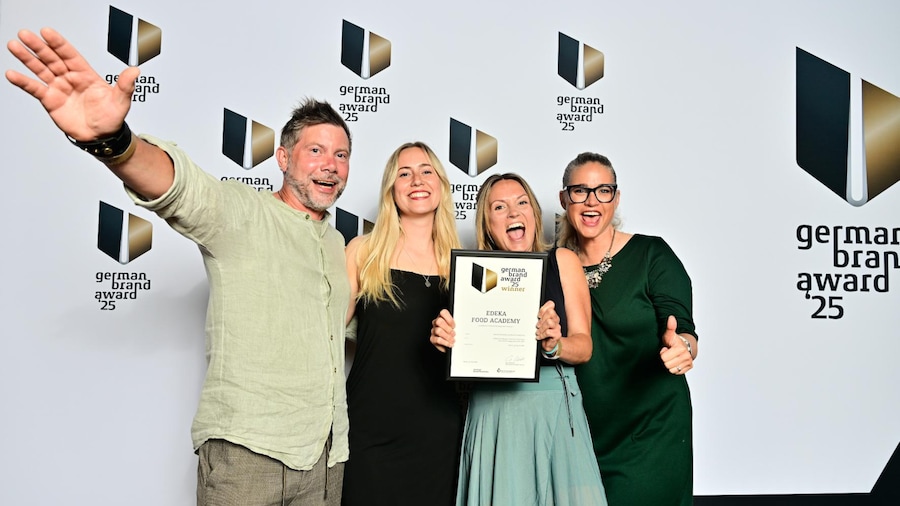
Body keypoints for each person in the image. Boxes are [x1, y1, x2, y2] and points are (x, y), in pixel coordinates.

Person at [7, 27, 351, 505]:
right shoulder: (243, 214)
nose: (330, 165)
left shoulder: (338, 244)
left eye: (341, 154)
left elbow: (350, 331)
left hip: (325, 459)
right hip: (248, 453)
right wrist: (115, 141)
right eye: (316, 151)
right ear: (283, 157)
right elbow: (183, 189)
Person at [430, 173, 608, 505]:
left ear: (534, 214)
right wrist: (445, 341)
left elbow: (584, 347)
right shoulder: (470, 274)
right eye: (500, 207)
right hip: (495, 413)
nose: (514, 213)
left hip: (553, 406)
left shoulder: (562, 261)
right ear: (487, 223)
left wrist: (555, 344)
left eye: (522, 203)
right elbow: (459, 347)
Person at [556, 152, 698, 505]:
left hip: (650, 432)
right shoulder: (553, 265)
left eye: (603, 191)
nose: (591, 201)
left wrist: (682, 346)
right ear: (564, 199)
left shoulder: (651, 253)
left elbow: (682, 327)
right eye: (580, 191)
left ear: (616, 199)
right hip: (581, 435)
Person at [341, 142, 463, 505]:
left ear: (440, 184)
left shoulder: (462, 267)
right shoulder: (362, 251)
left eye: (426, 171)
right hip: (369, 426)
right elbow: (325, 337)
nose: (416, 180)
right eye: (404, 173)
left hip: (437, 429)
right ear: (391, 188)